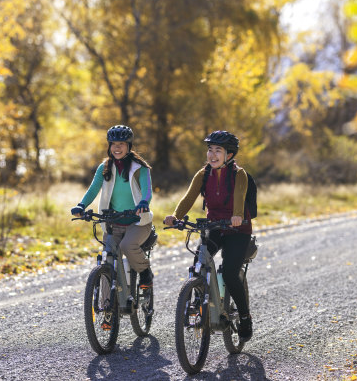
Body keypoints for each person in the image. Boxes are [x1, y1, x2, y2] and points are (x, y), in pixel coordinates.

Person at [164, 130, 253, 342]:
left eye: (218, 151)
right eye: (210, 150)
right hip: (214, 225)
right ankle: (198, 301)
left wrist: (237, 216)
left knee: (231, 273)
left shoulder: (239, 174)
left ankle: (245, 317)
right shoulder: (203, 174)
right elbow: (188, 198)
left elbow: (239, 198)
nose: (212, 155)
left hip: (237, 229)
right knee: (199, 262)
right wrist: (176, 216)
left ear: (229, 155)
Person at [71, 125, 154, 291]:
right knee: (108, 257)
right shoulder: (105, 167)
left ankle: (145, 272)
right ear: (109, 146)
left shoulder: (140, 168)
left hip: (137, 222)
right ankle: (107, 306)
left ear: (129, 146)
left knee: (127, 246)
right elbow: (94, 188)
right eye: (113, 143)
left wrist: (144, 203)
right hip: (113, 222)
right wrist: (81, 205)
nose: (117, 147)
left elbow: (147, 190)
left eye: (122, 144)